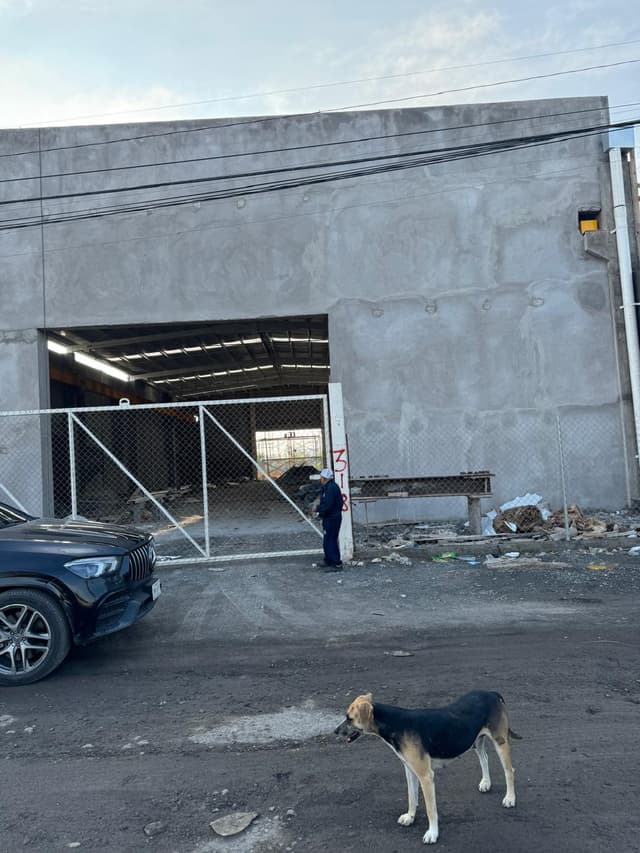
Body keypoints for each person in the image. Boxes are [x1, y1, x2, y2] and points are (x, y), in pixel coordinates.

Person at [316, 468, 343, 571]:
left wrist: (317, 509)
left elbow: (328, 504)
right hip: (330, 517)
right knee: (328, 539)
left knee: (331, 539)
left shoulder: (331, 488)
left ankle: (336, 563)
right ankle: (328, 560)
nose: (320, 479)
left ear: (324, 478)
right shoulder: (328, 487)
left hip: (332, 518)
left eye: (321, 477)